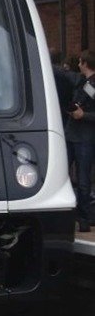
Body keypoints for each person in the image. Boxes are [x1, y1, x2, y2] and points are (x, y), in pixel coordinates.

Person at [66, 49, 95, 232]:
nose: (78, 64)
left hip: (85, 137)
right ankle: (72, 215)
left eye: (80, 62)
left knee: (83, 179)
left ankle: (84, 218)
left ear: (85, 63)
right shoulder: (79, 81)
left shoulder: (92, 84)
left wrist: (83, 115)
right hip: (71, 134)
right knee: (66, 176)